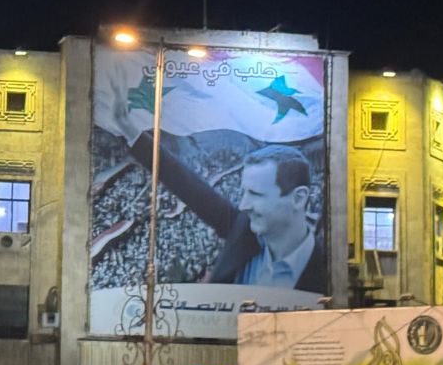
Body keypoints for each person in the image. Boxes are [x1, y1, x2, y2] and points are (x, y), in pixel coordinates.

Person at [110, 102, 325, 290]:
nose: (243, 205)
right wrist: (131, 132)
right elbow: (188, 185)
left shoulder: (323, 269)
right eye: (244, 193)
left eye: (256, 194)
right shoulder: (243, 231)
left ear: (298, 198)